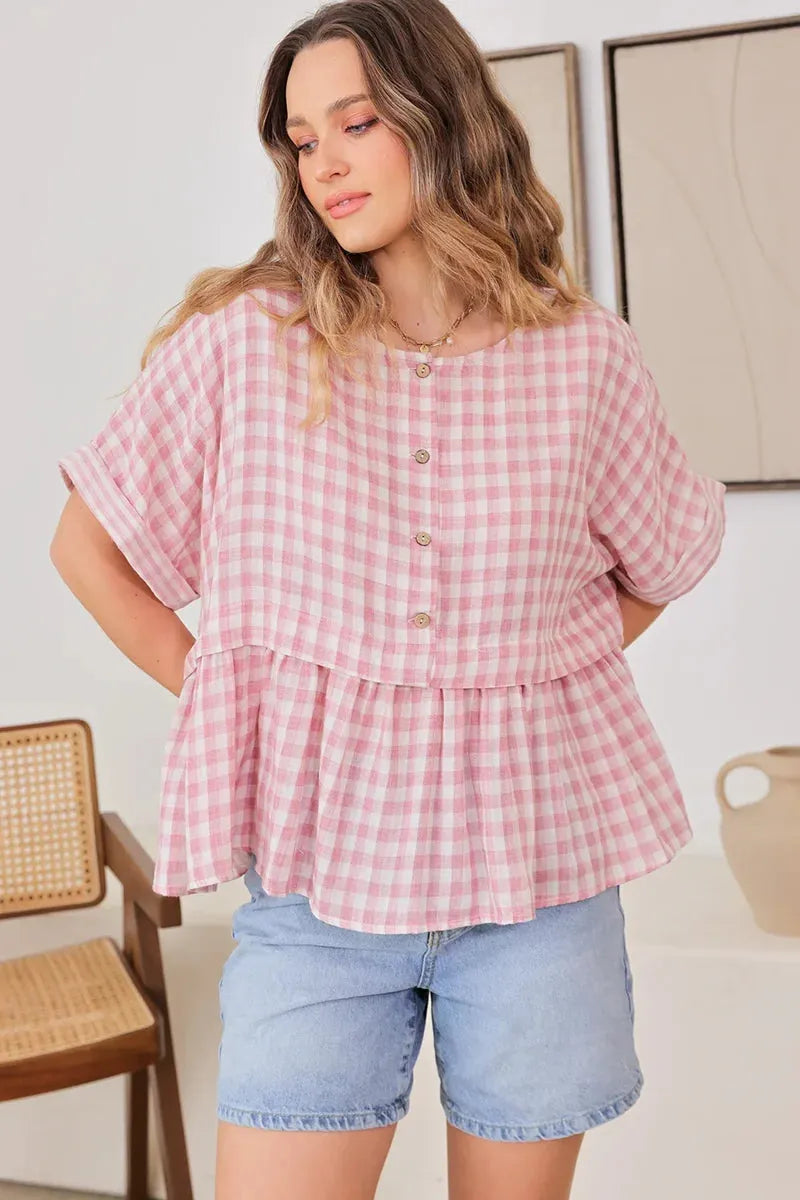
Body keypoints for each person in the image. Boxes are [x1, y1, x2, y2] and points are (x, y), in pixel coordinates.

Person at [49, 2, 727, 1198]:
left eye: (355, 124)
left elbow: (662, 560)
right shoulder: (249, 344)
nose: (325, 164)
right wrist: (225, 685)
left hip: (538, 890)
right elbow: (87, 546)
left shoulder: (582, 357)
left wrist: (529, 658)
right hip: (318, 893)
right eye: (303, 139)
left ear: (440, 117)